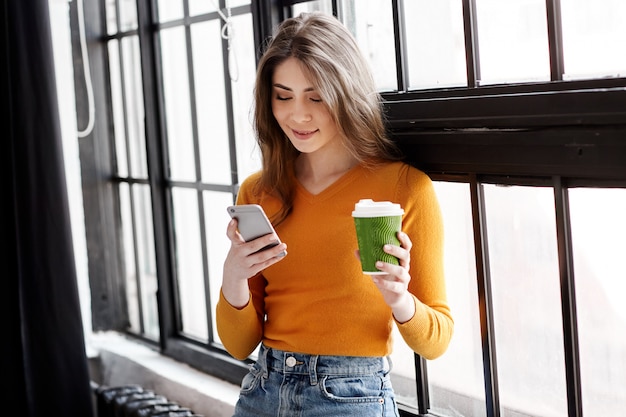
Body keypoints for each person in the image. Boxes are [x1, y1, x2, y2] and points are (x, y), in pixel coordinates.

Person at [216, 11, 453, 417]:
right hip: (262, 391)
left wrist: (399, 299)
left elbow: (437, 340)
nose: (298, 115)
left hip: (351, 396)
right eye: (283, 95)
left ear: (346, 92)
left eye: (316, 96)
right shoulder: (258, 191)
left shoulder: (404, 189)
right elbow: (239, 346)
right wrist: (233, 277)